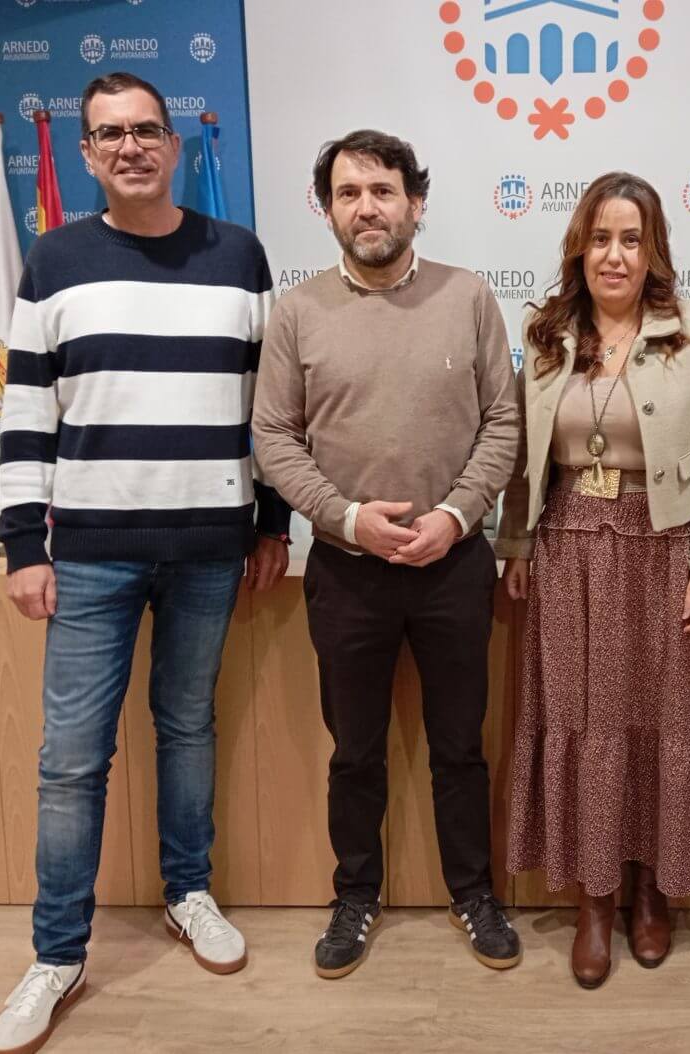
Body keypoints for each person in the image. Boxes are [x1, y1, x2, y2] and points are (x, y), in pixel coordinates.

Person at [0, 72, 291, 1054]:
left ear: (172, 145)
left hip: (210, 546)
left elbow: (269, 411)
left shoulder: (237, 256)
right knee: (70, 760)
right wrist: (20, 546)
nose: (131, 147)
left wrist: (272, 522)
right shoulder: (55, 260)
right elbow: (29, 415)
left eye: (146, 130)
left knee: (187, 726)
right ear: (86, 153)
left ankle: (187, 890)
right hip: (88, 555)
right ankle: (56, 952)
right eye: (109, 134)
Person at [251, 129, 521, 980]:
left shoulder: (470, 297)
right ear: (327, 209)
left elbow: (504, 423)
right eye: (347, 192)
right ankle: (355, 896)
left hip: (454, 567)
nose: (367, 206)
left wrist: (456, 514)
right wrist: (347, 517)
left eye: (383, 189)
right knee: (355, 750)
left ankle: (474, 891)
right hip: (347, 572)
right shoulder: (296, 313)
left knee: (460, 747)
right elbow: (274, 438)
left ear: (416, 201)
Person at [497, 171, 690, 989]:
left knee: (661, 721)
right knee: (582, 717)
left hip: (664, 544)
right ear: (580, 245)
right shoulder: (544, 334)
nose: (615, 254)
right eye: (601, 237)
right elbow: (520, 455)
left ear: (654, 250)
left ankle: (651, 889)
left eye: (631, 239)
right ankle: (595, 897)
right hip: (568, 544)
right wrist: (518, 546)